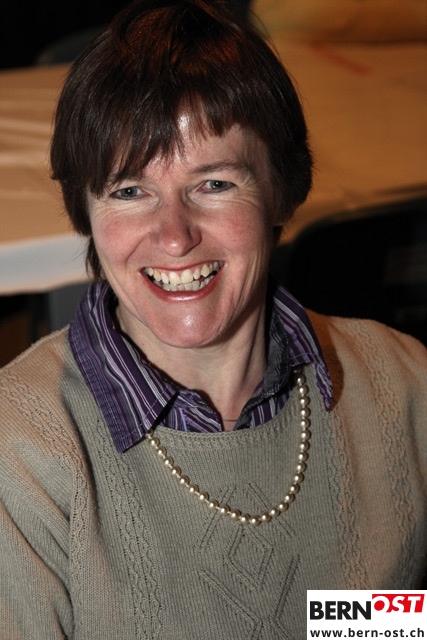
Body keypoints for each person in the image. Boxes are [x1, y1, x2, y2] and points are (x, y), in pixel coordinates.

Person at [0, 0, 426, 637]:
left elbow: (392, 622)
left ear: (281, 191)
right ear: (85, 212)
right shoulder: (21, 455)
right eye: (129, 191)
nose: (174, 236)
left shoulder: (406, 389)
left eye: (215, 184)